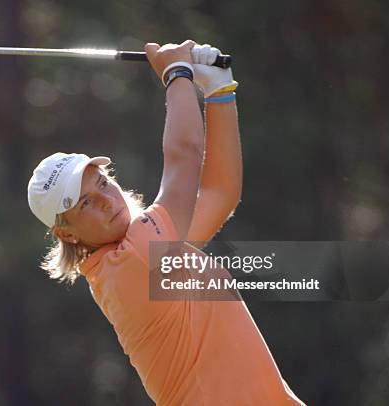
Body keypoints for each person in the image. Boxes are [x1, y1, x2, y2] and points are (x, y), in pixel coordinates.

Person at [27, 40, 305, 405]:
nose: (108, 201)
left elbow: (219, 195)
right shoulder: (132, 261)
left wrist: (220, 93)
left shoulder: (141, 250)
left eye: (103, 183)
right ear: (66, 233)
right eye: (86, 204)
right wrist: (176, 74)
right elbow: (184, 159)